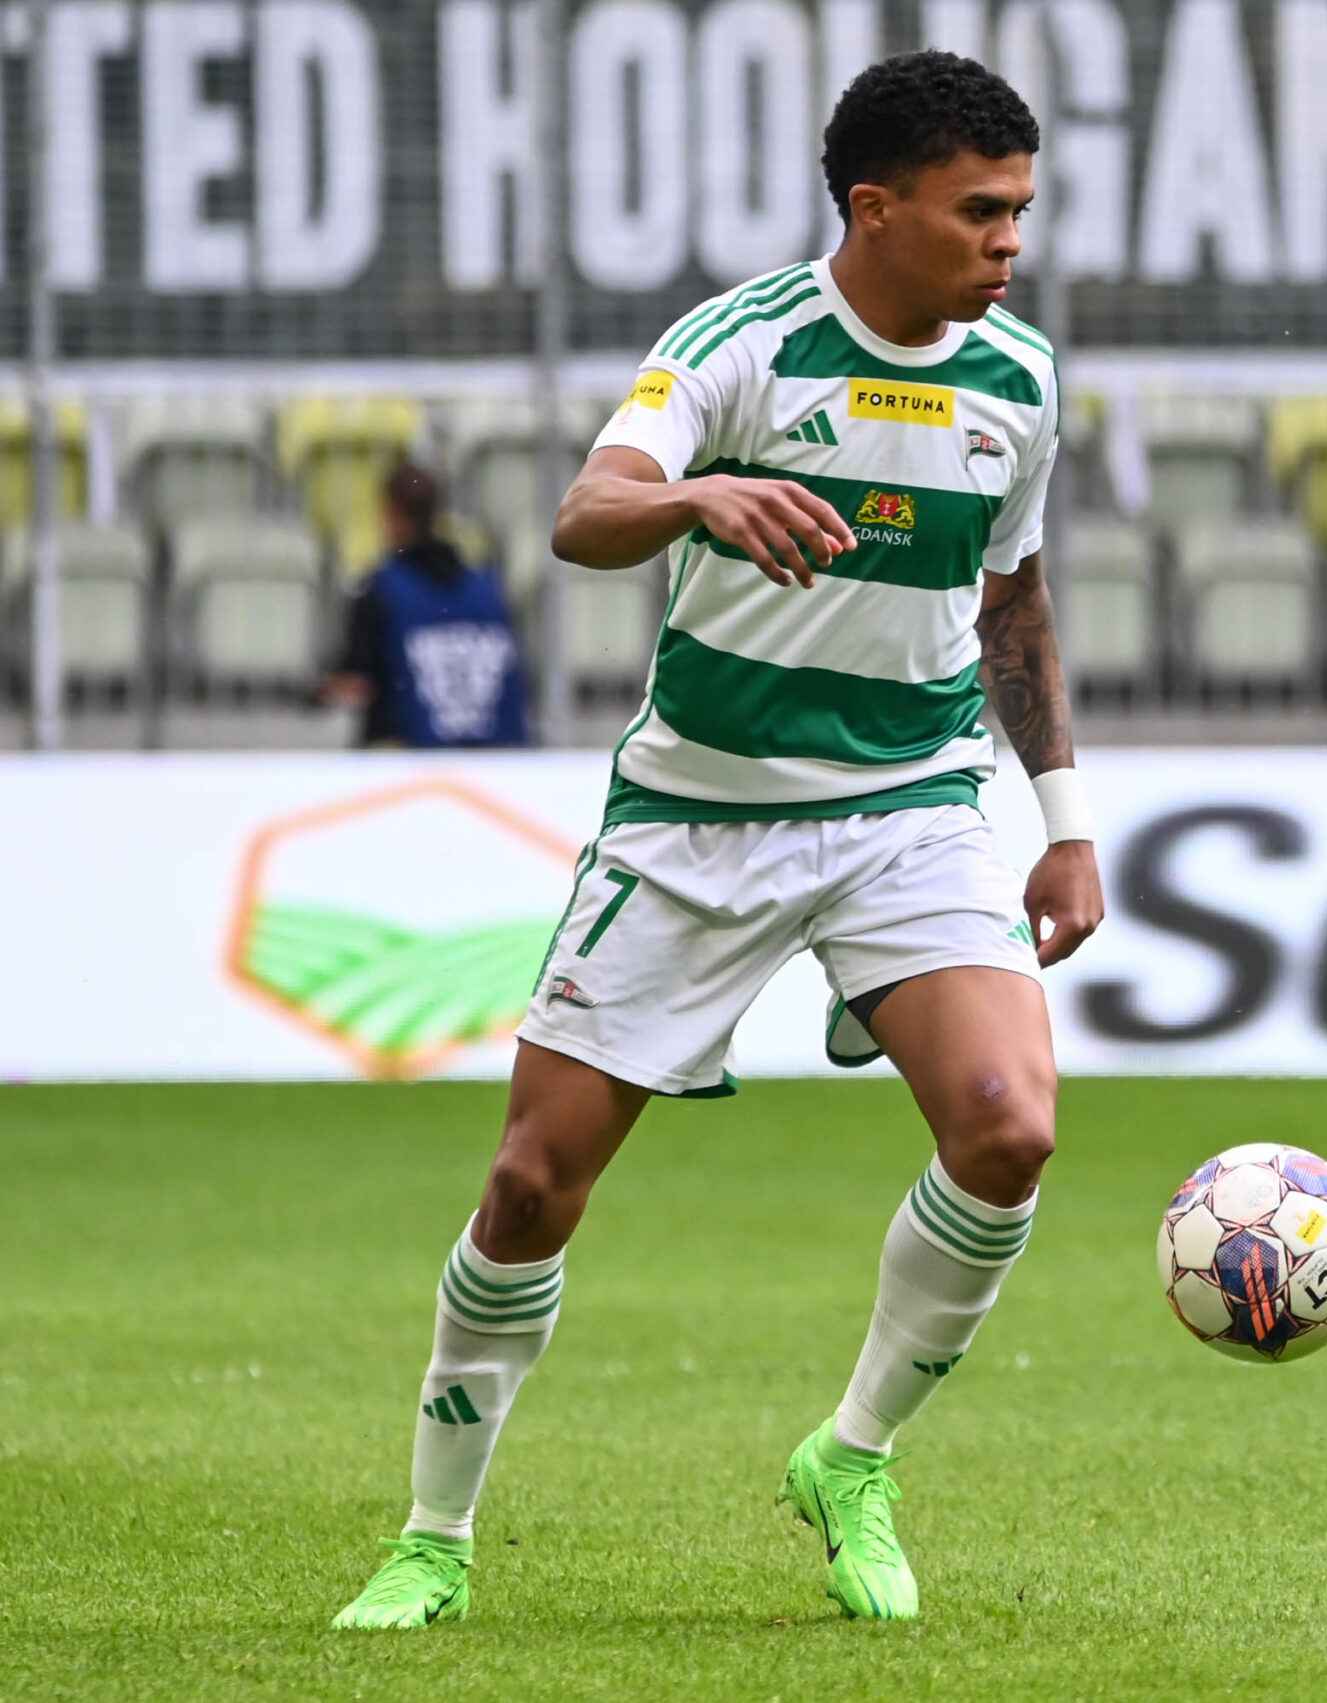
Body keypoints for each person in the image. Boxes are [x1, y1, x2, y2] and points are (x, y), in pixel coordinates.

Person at [330, 50, 1102, 1629]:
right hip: (698, 819)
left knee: (1009, 1128)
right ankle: (433, 1538)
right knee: (532, 1183)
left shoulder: (1019, 378)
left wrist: (1065, 820)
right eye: (980, 211)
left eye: (1021, 209)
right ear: (874, 208)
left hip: (910, 807)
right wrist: (700, 500)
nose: (1010, 241)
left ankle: (854, 1454)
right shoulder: (737, 347)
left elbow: (1014, 600)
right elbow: (584, 512)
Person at [323, 460, 529, 748]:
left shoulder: (379, 590)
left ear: (393, 513)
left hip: (409, 759)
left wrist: (316, 691)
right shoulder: (489, 588)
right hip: (493, 758)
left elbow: (357, 683)